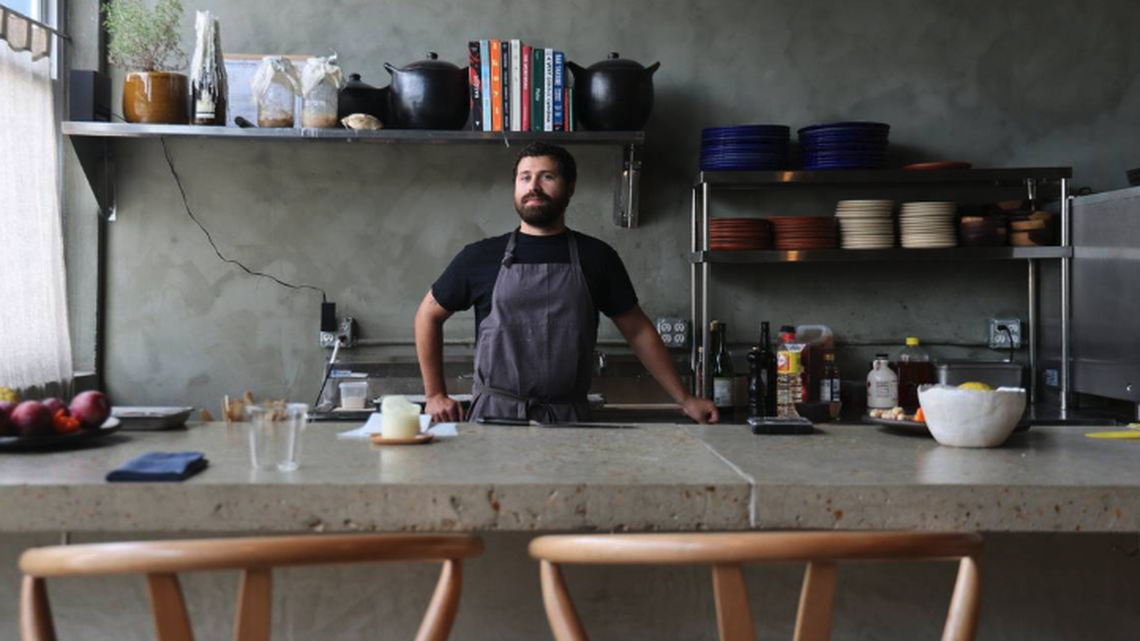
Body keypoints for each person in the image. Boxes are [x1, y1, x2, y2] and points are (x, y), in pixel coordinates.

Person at [415, 142, 718, 424]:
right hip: (494, 417)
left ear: (570, 187)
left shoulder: (597, 257)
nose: (533, 186)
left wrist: (685, 399)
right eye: (524, 177)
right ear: (515, 188)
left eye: (546, 176)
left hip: (569, 420)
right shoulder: (479, 257)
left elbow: (638, 331)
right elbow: (428, 315)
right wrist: (435, 395)